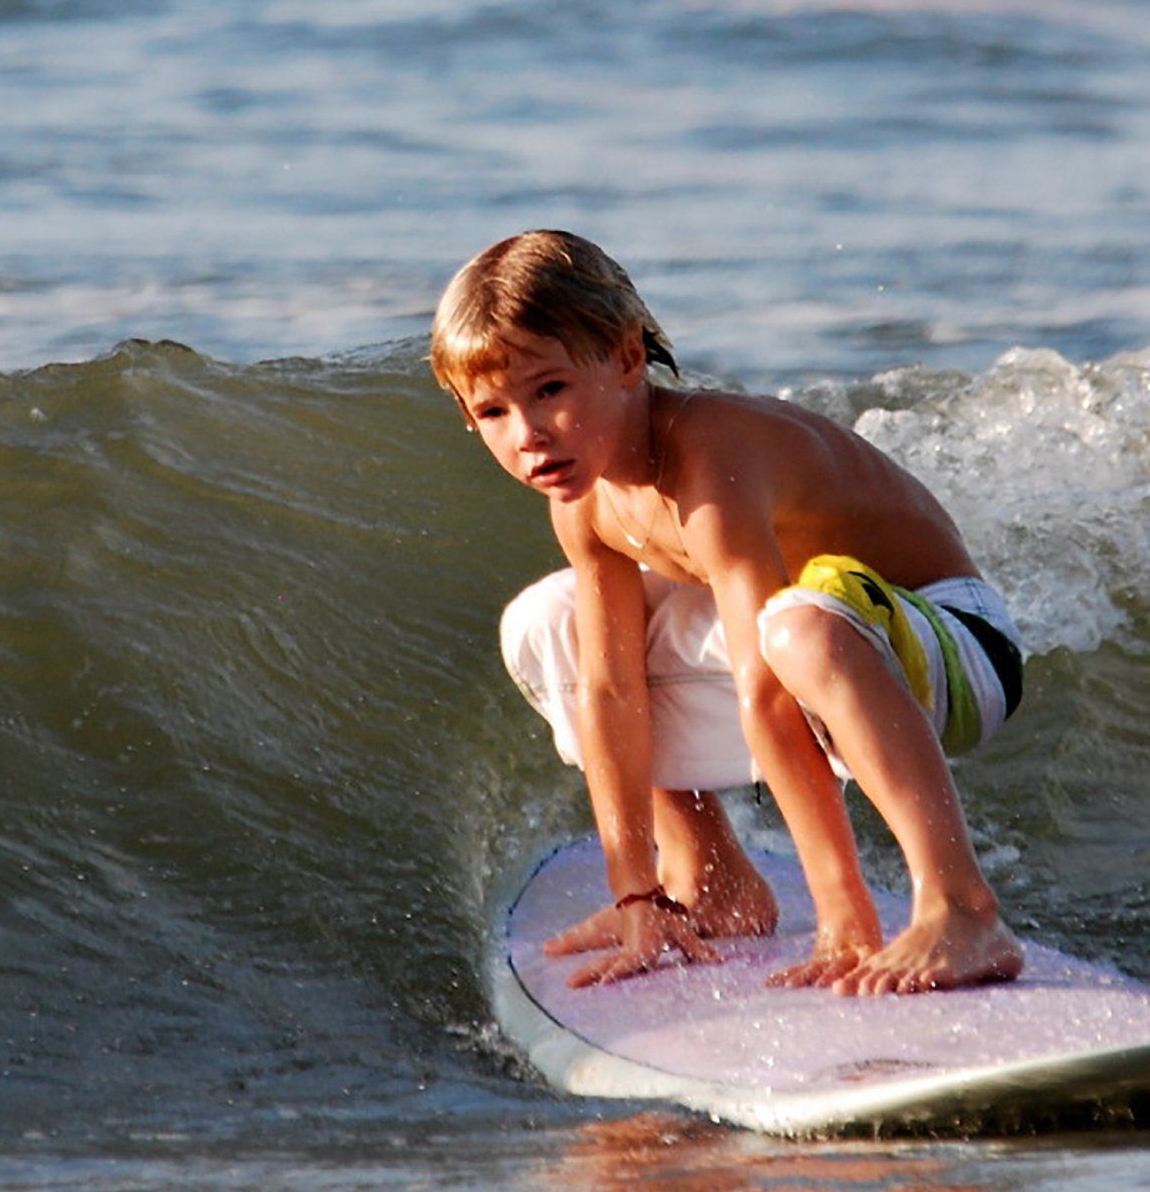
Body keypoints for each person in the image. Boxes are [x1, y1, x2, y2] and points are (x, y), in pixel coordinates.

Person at [431, 230, 1025, 996]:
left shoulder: (711, 458)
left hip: (955, 650)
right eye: (492, 412)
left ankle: (962, 908)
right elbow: (610, 693)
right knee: (552, 623)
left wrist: (840, 911)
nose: (528, 434)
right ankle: (710, 880)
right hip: (830, 655)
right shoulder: (583, 504)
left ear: (625, 359)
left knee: (794, 630)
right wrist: (634, 895)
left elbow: (770, 691)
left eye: (549, 391)